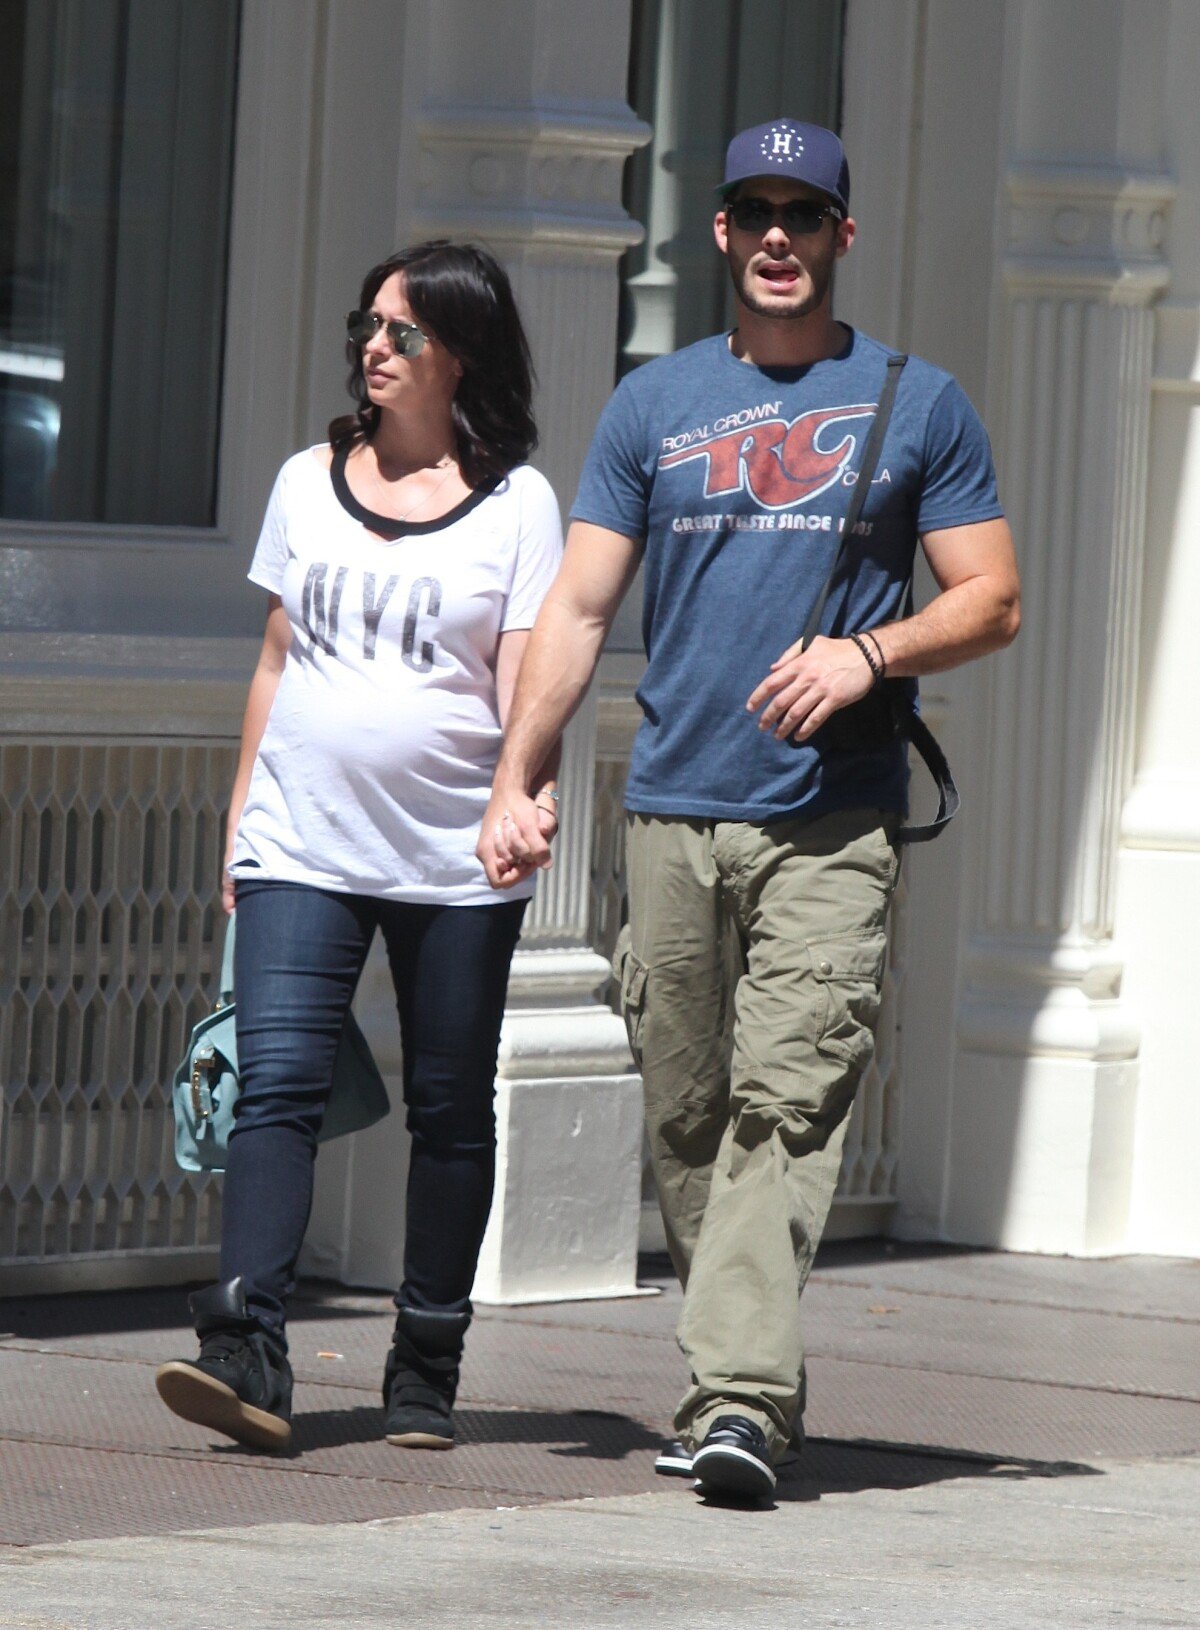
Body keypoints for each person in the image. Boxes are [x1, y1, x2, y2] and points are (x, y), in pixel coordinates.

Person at [477, 119, 1020, 1501]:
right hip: (672, 805)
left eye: (807, 213)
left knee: (790, 1097)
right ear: (717, 232)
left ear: (842, 235)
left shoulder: (920, 401)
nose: (781, 235)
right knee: (687, 1106)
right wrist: (518, 770)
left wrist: (870, 652)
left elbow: (992, 597)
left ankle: (737, 1398)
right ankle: (747, 1368)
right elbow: (581, 604)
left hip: (831, 819)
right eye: (755, 211)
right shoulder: (653, 406)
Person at [156, 241, 562, 1454]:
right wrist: (240, 820)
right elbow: (279, 655)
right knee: (274, 1083)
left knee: (449, 1107)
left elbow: (526, 682)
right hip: (300, 841)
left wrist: (520, 797)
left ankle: (425, 1360)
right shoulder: (302, 480)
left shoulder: (519, 505)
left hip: (453, 857)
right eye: (366, 326)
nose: (372, 348)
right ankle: (248, 1347)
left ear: (462, 356)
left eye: (401, 333)